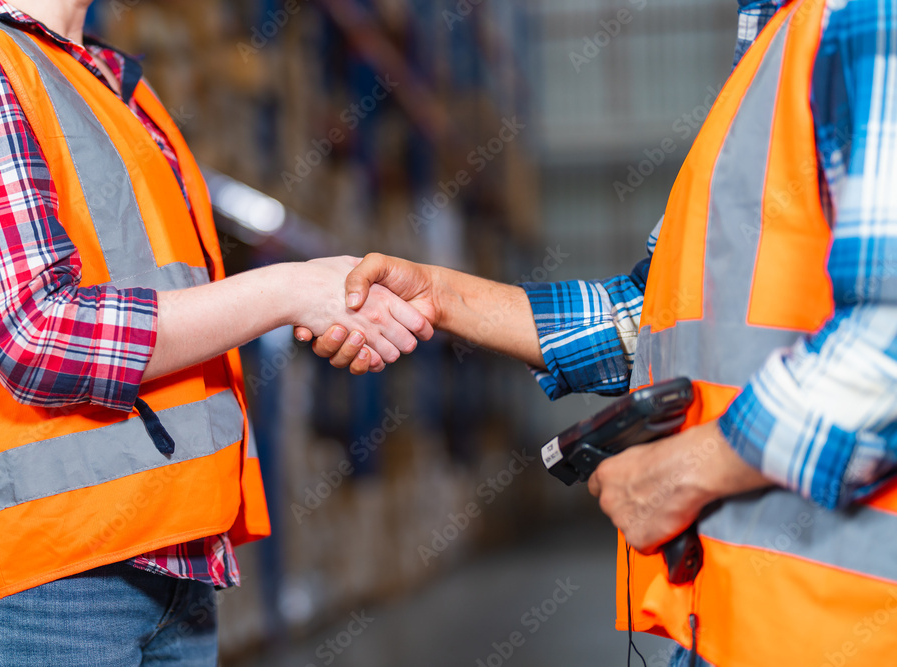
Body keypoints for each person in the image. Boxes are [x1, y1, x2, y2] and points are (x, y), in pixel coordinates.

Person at [303, 0, 897, 665]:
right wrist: (442, 297)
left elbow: (889, 336)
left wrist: (687, 470)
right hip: (753, 621)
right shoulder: (776, 43)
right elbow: (652, 314)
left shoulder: (864, 16)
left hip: (848, 629)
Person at [0, 0, 430, 664]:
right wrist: (287, 290)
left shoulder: (113, 87)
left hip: (170, 566)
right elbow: (38, 334)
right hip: (33, 583)